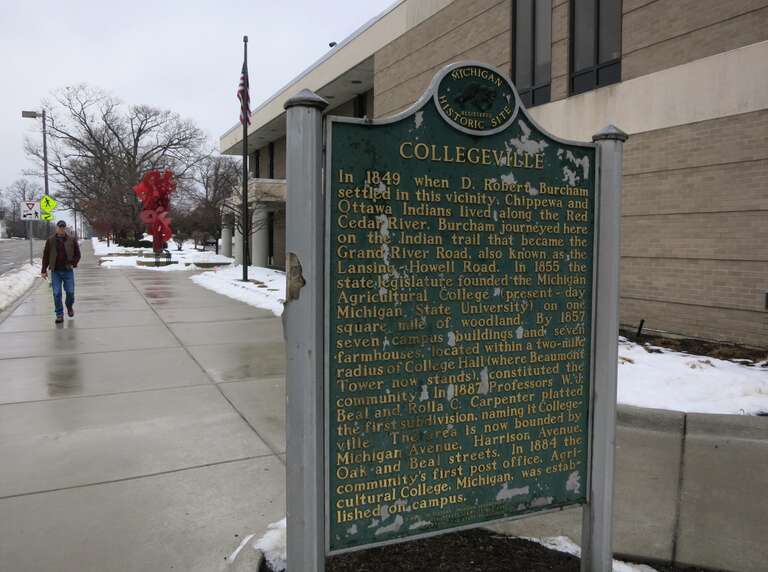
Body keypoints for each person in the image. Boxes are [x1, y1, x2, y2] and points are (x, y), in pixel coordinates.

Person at [41, 220, 81, 324]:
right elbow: (46, 255)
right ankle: (59, 314)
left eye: (63, 227)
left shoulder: (71, 240)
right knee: (56, 293)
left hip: (68, 271)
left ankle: (69, 306)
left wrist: (74, 263)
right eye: (60, 227)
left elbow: (78, 254)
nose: (61, 229)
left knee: (70, 292)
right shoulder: (50, 240)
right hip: (55, 272)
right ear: (56, 228)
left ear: (65, 228)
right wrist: (43, 270)